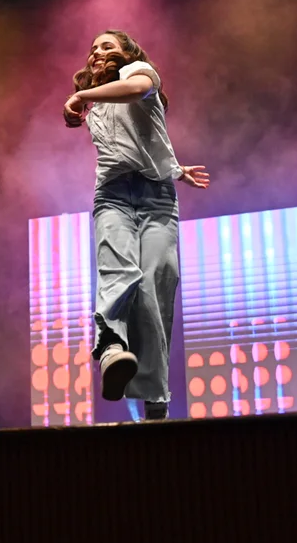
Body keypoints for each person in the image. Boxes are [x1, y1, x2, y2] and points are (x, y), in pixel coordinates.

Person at [63, 29, 210, 420]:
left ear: (127, 53)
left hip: (157, 199)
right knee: (118, 270)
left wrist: (81, 96)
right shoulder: (96, 103)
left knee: (154, 286)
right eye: (93, 48)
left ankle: (154, 395)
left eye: (107, 46)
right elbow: (130, 143)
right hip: (112, 196)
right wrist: (173, 165)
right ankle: (112, 349)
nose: (97, 52)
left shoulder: (139, 73)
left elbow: (135, 93)